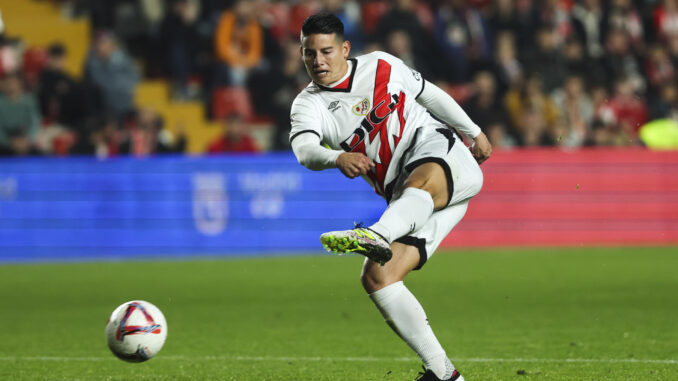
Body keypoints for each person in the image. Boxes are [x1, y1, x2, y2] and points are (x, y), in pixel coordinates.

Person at [289, 13, 491, 381]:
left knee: (420, 180)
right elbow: (304, 150)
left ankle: (377, 235)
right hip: (412, 203)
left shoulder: (382, 65)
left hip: (441, 155)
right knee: (378, 276)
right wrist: (337, 157)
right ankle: (444, 373)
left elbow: (428, 93)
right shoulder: (309, 104)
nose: (317, 61)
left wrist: (473, 130)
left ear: (345, 49)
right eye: (309, 53)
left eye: (326, 51)